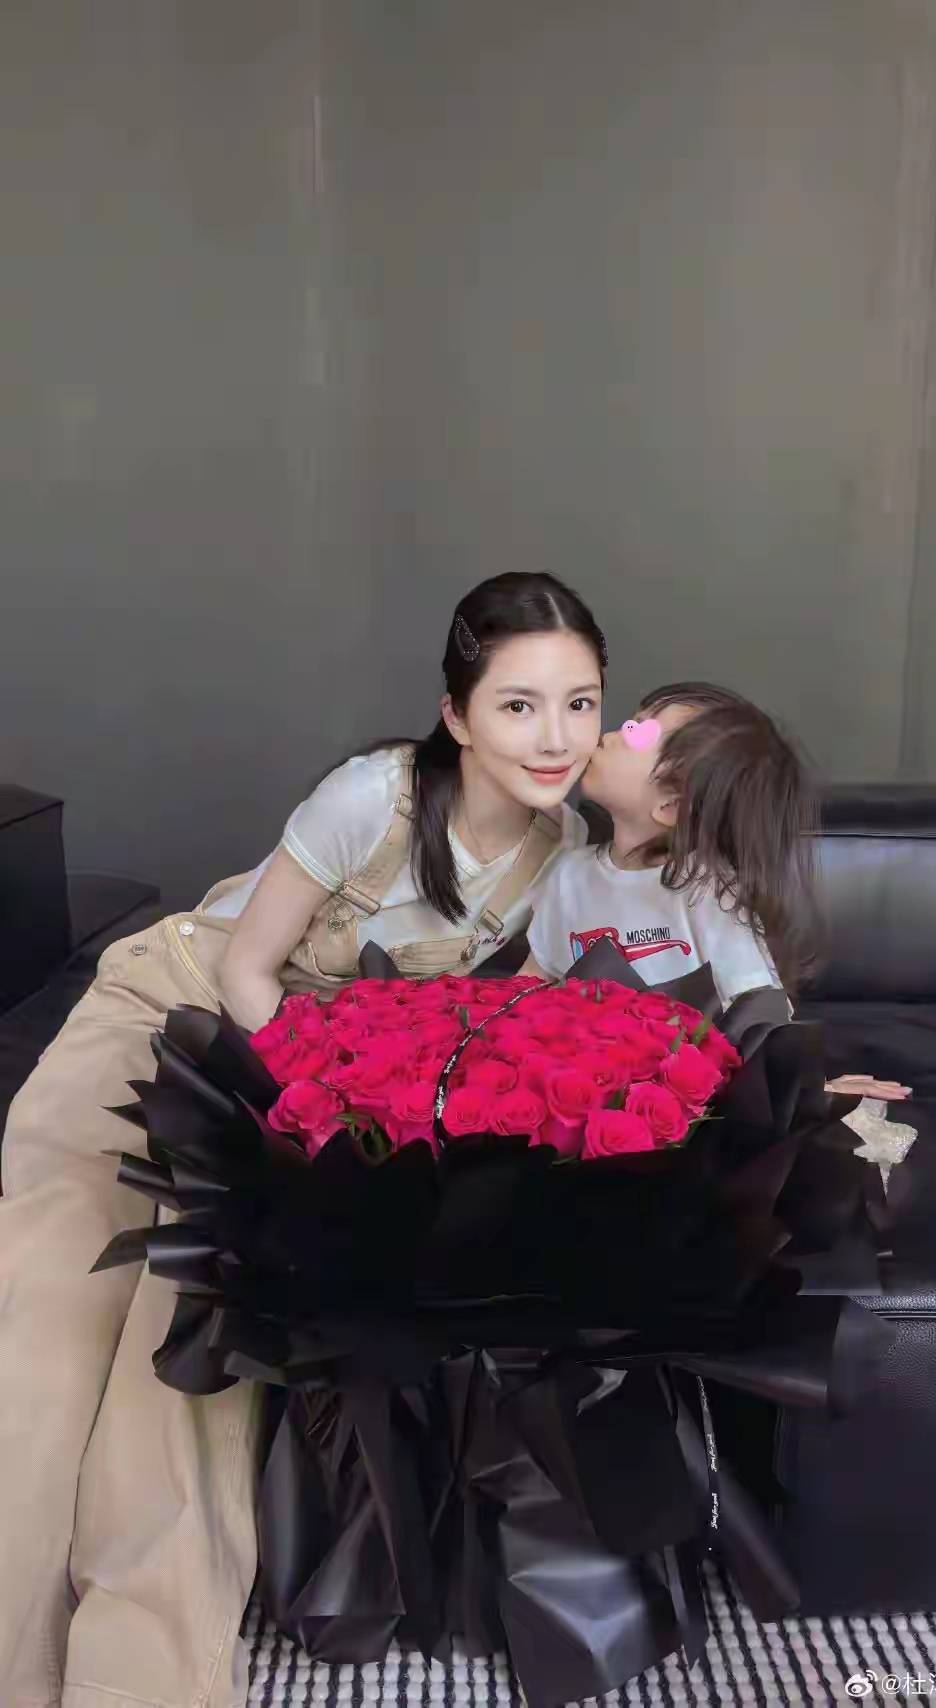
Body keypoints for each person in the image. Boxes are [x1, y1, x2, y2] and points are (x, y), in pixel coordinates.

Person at [0, 571, 605, 1708]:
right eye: (520, 704)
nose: (555, 736)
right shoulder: (373, 797)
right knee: (54, 1279)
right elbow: (245, 971)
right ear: (457, 713)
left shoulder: (561, 853)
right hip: (181, 1011)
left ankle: (140, 1682)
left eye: (581, 703)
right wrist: (322, 1107)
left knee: (189, 1314)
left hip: (305, 1075)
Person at [525, 682, 909, 1103]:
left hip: (681, 1093)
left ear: (671, 806)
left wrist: (800, 1087)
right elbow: (531, 983)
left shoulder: (706, 891)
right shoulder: (569, 875)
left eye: (640, 732)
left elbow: (757, 1007)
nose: (613, 734)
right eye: (631, 722)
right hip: (583, 1085)